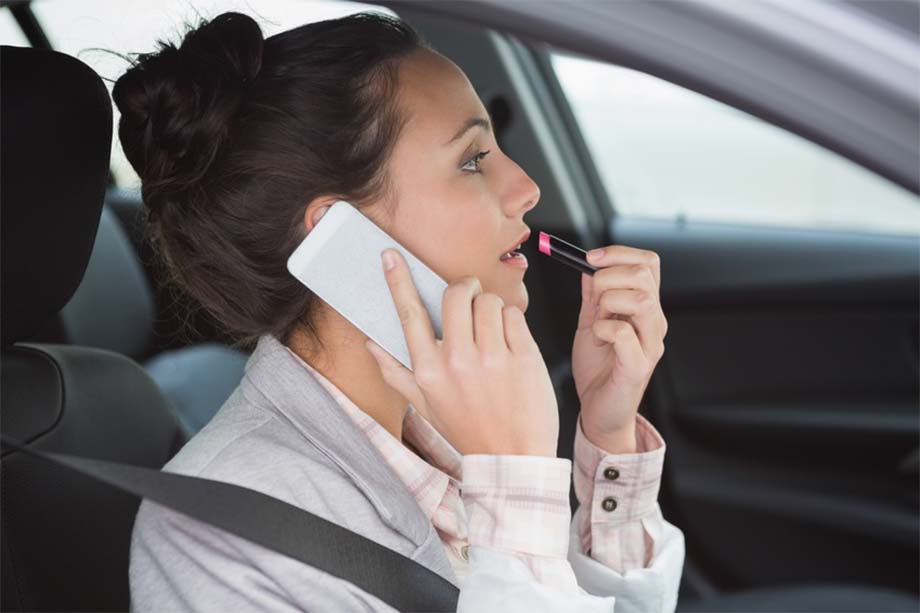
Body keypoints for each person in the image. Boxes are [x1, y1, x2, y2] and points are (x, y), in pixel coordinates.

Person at [117, 10, 685, 612]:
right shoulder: (215, 540)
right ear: (339, 233)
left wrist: (607, 434)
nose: (526, 187)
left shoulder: (450, 420)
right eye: (472, 160)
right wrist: (514, 482)